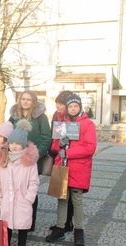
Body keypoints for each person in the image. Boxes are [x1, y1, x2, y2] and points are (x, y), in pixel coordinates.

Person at [45, 94, 97, 246]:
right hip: (63, 166)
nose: (73, 109)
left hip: (79, 168)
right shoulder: (62, 123)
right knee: (61, 199)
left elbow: (90, 148)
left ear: (80, 107)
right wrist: (60, 144)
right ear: (67, 108)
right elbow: (54, 146)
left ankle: (79, 231)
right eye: (70, 106)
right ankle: (60, 228)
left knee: (77, 200)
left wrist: (68, 152)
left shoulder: (88, 124)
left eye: (76, 106)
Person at [0, 119, 40, 246]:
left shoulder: (29, 162)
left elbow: (34, 182)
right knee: (6, 225)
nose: (14, 146)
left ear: (23, 145)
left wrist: (29, 198)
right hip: (6, 199)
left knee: (22, 226)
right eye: (12, 143)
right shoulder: (4, 159)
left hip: (22, 200)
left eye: (18, 143)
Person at [8, 90, 51, 232]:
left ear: (33, 102)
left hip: (32, 159)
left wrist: (36, 154)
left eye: (28, 99)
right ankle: (16, 218)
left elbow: (46, 138)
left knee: (30, 189)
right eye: (23, 99)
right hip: (15, 157)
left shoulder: (40, 117)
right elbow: (7, 133)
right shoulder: (14, 116)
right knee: (16, 188)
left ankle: (30, 221)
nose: (25, 102)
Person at [49, 91, 74, 232]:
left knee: (69, 192)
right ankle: (62, 222)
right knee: (60, 191)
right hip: (58, 155)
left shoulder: (71, 118)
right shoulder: (55, 116)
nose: (58, 106)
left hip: (70, 158)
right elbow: (55, 136)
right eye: (57, 103)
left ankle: (68, 223)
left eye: (61, 104)